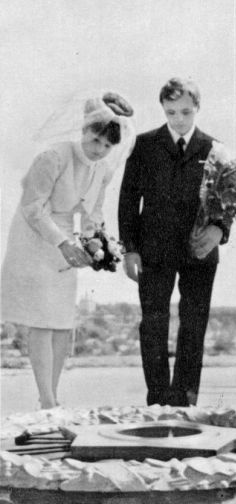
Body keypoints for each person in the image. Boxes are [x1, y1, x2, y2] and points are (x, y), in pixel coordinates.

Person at [1, 91, 134, 409]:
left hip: (67, 241)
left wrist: (93, 243)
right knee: (43, 319)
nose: (99, 149)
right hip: (35, 235)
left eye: (107, 145)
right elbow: (32, 207)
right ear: (84, 130)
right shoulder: (54, 157)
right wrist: (62, 242)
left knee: (62, 321)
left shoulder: (102, 170)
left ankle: (52, 394)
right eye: (95, 140)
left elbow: (93, 213)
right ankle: (47, 401)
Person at [118, 77, 230, 407]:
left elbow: (228, 199)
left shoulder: (215, 148)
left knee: (194, 323)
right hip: (153, 249)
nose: (178, 119)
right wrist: (130, 249)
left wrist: (220, 230)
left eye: (185, 112)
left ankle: (184, 399)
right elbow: (128, 200)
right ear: (163, 110)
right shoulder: (143, 145)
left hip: (200, 249)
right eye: (171, 112)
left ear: (197, 108)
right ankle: (157, 399)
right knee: (153, 323)